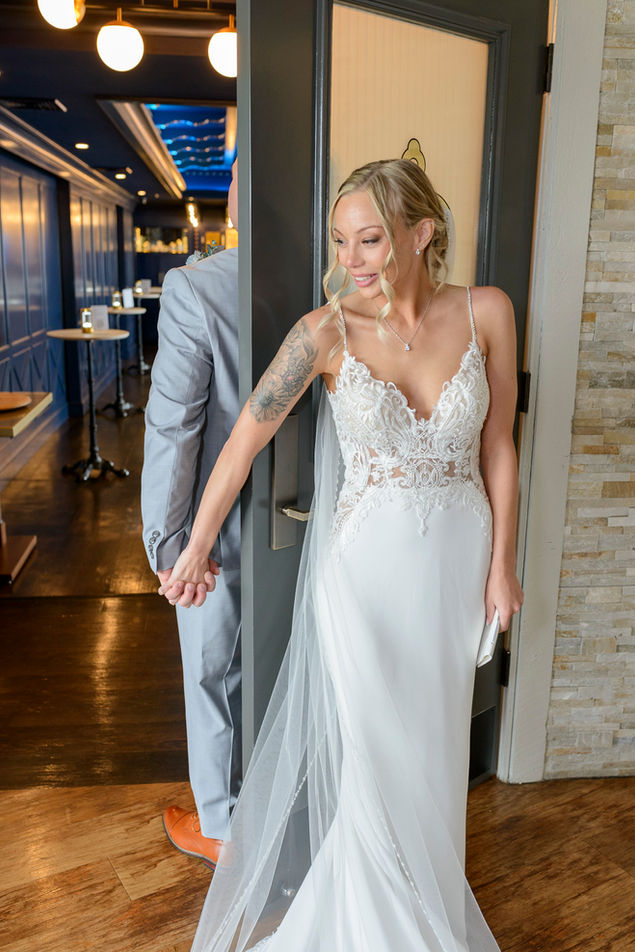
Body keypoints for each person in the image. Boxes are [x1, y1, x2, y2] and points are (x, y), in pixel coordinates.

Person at [159, 159, 523, 951]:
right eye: (341, 240)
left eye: (370, 239)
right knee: (375, 763)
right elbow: (240, 446)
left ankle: (422, 908)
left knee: (432, 757)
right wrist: (190, 548)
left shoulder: (487, 311)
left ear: (421, 233)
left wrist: (502, 564)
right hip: (364, 576)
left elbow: (498, 448)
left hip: (455, 568)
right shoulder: (323, 333)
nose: (351, 258)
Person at [141, 160, 241, 870]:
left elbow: (175, 426)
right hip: (326, 517)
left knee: (213, 675)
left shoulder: (196, 287)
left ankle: (221, 824)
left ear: (236, 201)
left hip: (219, 528)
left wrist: (169, 544)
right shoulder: (346, 287)